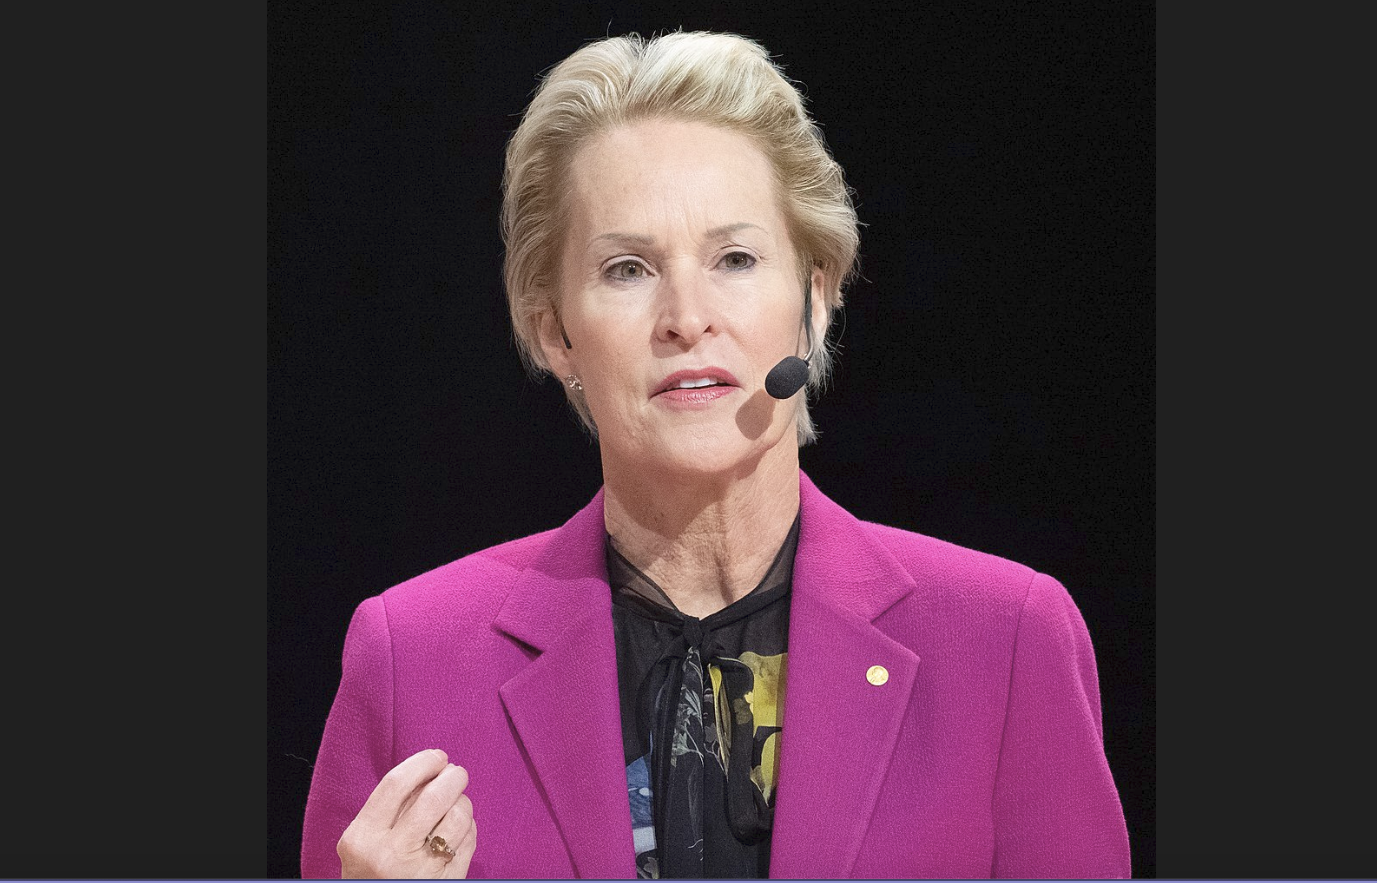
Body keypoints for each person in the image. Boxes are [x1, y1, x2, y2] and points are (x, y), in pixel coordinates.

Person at [300, 30, 1131, 880]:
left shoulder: (1004, 642)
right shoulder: (413, 658)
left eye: (734, 258)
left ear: (813, 300)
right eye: (627, 269)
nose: (686, 317)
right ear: (554, 331)